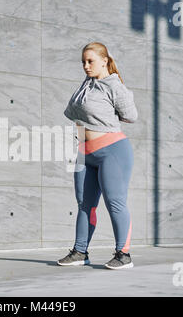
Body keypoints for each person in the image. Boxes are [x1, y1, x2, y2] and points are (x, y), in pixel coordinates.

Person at [57, 42, 138, 270]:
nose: (85, 65)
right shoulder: (87, 84)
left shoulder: (113, 85)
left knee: (115, 202)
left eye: (90, 61)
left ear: (104, 60)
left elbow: (131, 116)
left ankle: (123, 254)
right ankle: (80, 252)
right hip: (85, 152)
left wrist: (107, 119)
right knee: (85, 204)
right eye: (83, 61)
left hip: (112, 150)